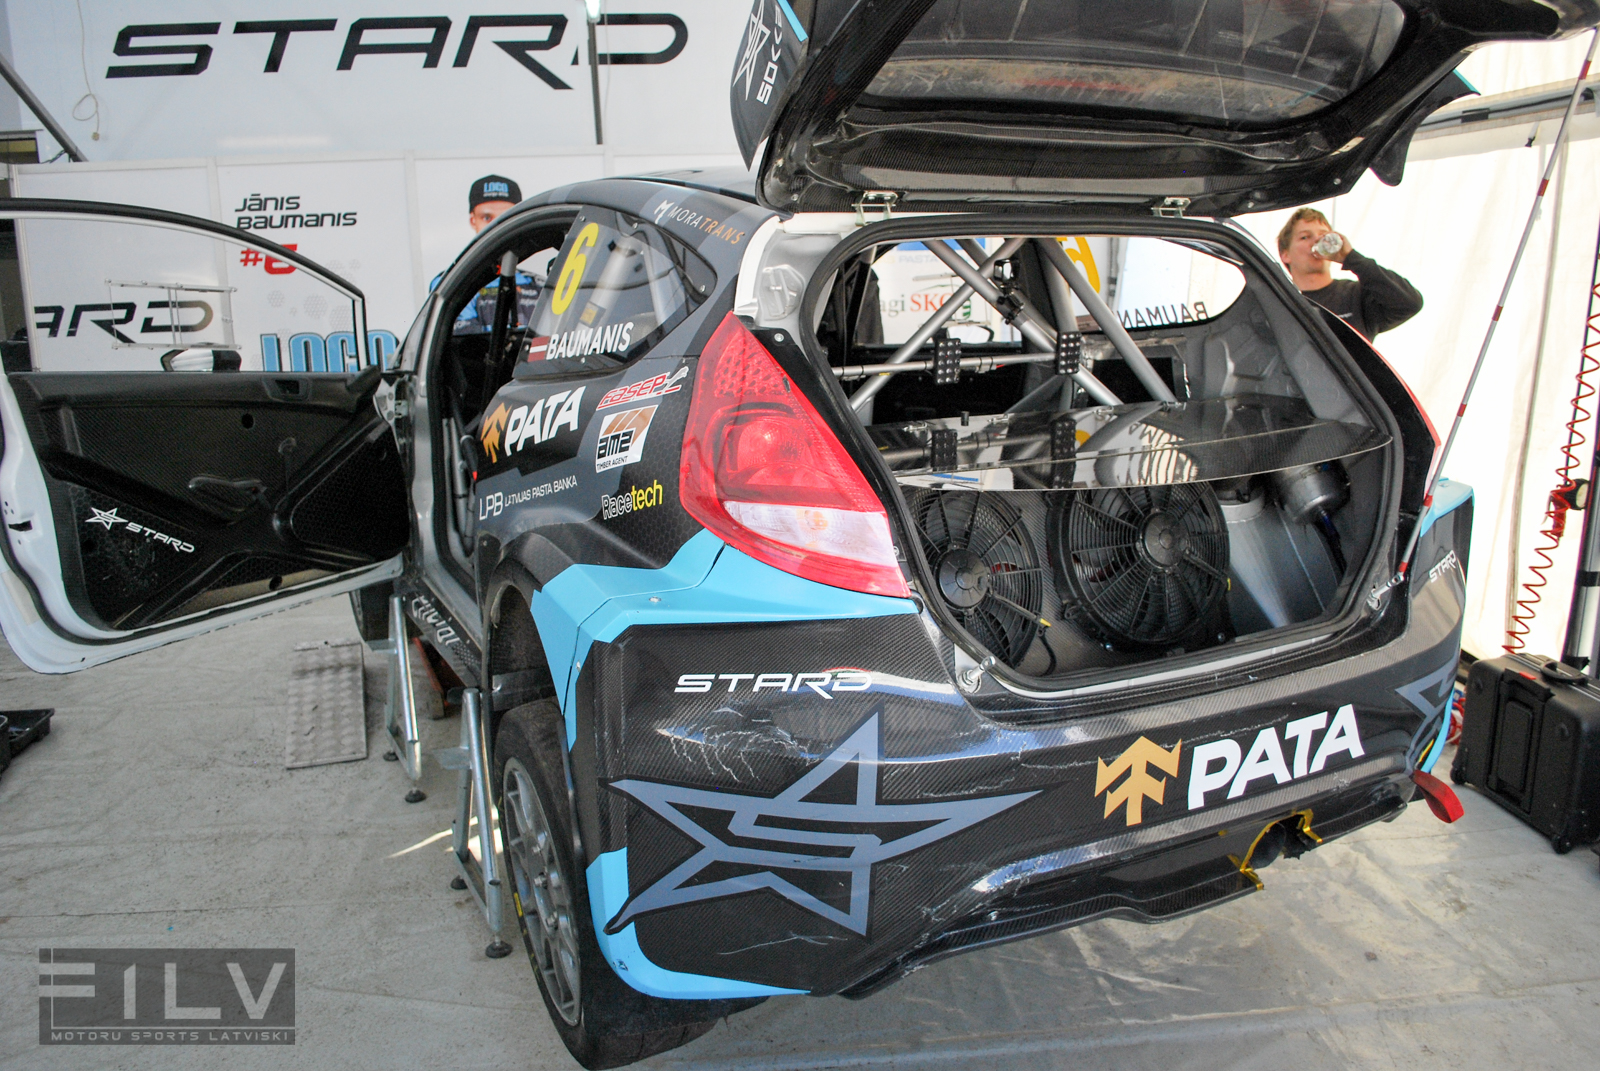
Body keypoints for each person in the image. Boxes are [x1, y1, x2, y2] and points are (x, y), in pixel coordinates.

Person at [1277, 208, 1423, 338]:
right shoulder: (1279, 301)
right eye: (1305, 237)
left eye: (1323, 236)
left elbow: (1410, 303)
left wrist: (1351, 258)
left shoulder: (1356, 296)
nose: (1316, 241)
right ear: (1285, 254)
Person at [431, 175, 540, 335]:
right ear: (473, 221)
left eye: (506, 217)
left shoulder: (539, 284)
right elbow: (468, 344)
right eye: (487, 218)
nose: (497, 227)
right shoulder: (454, 282)